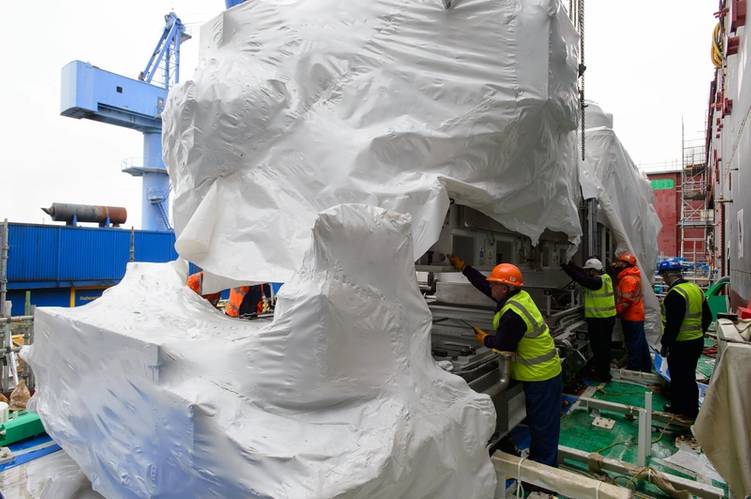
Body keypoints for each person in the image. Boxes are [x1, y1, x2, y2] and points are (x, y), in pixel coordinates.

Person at [449, 255, 562, 468]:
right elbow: (484, 285)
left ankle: (543, 472)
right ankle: (541, 461)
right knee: (541, 424)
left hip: (541, 376)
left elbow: (503, 345)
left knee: (543, 426)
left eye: (495, 284)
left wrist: (485, 339)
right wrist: (465, 268)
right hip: (541, 372)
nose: (490, 285)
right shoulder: (517, 297)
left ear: (505, 288)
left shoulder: (513, 314)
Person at [658, 259, 712, 419]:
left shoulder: (675, 294)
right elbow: (707, 317)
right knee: (688, 376)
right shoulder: (695, 289)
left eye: (663, 276)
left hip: (681, 344)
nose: (663, 280)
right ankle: (689, 408)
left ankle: (682, 409)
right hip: (696, 341)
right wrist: (699, 333)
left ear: (668, 275)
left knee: (680, 377)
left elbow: (673, 324)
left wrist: (666, 344)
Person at [561, 257, 616, 381]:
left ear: (593, 270)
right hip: (603, 319)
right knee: (601, 348)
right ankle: (601, 371)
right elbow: (582, 274)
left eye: (589, 270)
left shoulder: (597, 282)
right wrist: (572, 265)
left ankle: (603, 375)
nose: (587, 273)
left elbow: (582, 278)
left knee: (601, 348)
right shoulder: (604, 277)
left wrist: (566, 268)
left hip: (601, 320)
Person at [611, 252, 651, 372]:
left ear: (624, 264)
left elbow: (626, 301)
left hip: (631, 317)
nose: (616, 264)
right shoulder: (633, 276)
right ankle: (645, 367)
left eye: (618, 262)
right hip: (637, 315)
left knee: (633, 344)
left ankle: (633, 369)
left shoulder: (627, 279)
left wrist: (616, 312)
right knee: (641, 343)